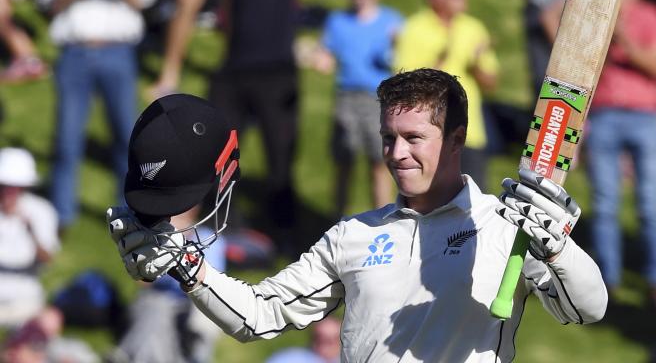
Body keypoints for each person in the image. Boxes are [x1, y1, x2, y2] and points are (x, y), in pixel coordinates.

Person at [106, 69, 607, 362]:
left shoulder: (506, 226)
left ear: (457, 140)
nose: (397, 153)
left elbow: (587, 309)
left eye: (415, 139)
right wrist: (186, 268)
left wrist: (559, 245)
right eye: (389, 138)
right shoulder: (353, 235)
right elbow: (259, 317)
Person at [36, 0, 159, 227]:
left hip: (117, 52)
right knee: (67, 137)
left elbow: (143, 0)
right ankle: (62, 214)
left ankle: (132, 211)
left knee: (126, 136)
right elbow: (52, 2)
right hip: (75, 52)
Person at [193, 0, 308, 241]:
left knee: (281, 153)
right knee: (221, 151)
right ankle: (222, 223)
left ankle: (285, 231)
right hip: (235, 71)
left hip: (277, 73)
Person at [583, 0, 656, 309]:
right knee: (605, 201)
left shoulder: (650, 17)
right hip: (604, 115)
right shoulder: (598, 19)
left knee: (650, 202)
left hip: (644, 116)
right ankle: (608, 277)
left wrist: (625, 39)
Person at [394, 0, 498, 189]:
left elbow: (491, 83)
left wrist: (477, 64)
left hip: (471, 132)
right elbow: (403, 84)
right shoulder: (414, 28)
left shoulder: (473, 28)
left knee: (474, 204)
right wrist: (442, 58)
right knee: (431, 204)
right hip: (431, 133)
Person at [311, 0, 402, 213]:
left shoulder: (391, 21)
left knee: (381, 162)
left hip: (380, 99)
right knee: (344, 162)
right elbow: (325, 54)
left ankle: (386, 218)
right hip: (347, 97)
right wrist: (318, 58)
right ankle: (337, 221)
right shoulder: (338, 21)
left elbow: (403, 57)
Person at [110, 205, 227, 363]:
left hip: (193, 304)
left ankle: (194, 349)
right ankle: (130, 356)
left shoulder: (209, 238)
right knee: (157, 310)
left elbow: (211, 284)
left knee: (206, 314)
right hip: (162, 299)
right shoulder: (155, 235)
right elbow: (142, 282)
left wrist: (182, 245)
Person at [0, 148, 60, 328]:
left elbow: (48, 258)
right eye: (5, 186)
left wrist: (30, 230)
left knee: (48, 321)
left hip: (24, 294)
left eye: (16, 187)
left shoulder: (41, 211)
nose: (9, 193)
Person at [264, 317, 341, 363]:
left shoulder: (348, 359)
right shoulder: (290, 358)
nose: (327, 344)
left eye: (333, 339)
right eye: (321, 338)